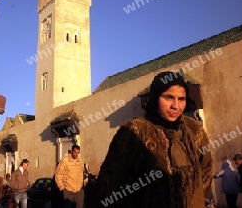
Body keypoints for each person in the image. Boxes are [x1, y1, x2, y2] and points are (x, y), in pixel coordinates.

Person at [90, 71, 213, 207]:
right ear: (155, 97)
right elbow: (109, 182)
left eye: (181, 99)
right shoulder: (135, 130)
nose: (176, 106)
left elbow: (206, 169)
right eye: (168, 97)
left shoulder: (194, 130)